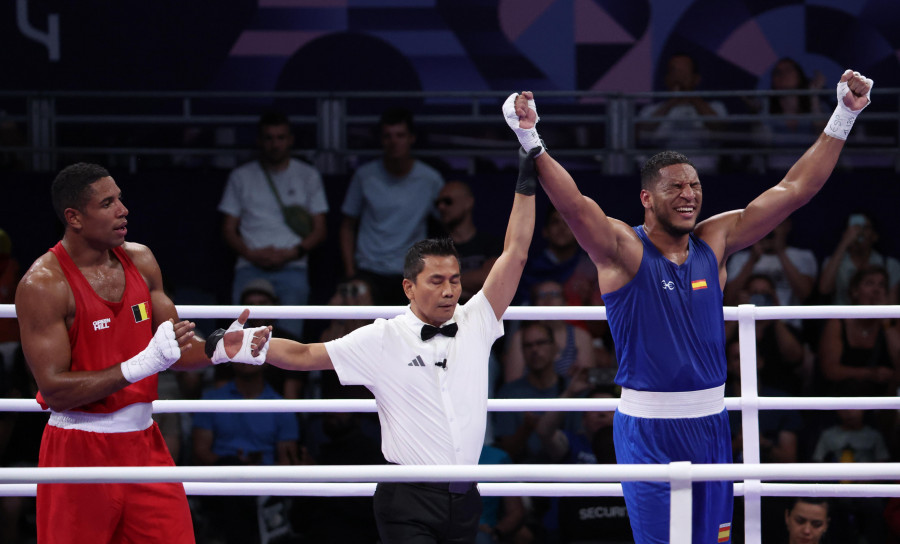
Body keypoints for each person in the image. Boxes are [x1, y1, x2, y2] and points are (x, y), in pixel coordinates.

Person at [503, 68, 873, 543]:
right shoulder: (622, 249)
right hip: (648, 427)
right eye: (675, 187)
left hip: (711, 424)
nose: (688, 195)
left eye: (694, 186)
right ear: (646, 198)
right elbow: (575, 207)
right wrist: (530, 137)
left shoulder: (714, 241)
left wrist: (844, 114)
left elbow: (794, 190)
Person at [210, 145, 540, 544]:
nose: (450, 290)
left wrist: (527, 168)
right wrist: (233, 346)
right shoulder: (383, 336)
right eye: (436, 281)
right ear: (409, 287)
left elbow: (516, 253)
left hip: (465, 499)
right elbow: (305, 355)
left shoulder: (477, 321)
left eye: (454, 279)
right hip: (407, 499)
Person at [14, 162, 267, 544]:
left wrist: (219, 351)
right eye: (107, 203)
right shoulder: (44, 284)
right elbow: (54, 390)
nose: (123, 210)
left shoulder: (142, 260)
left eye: (121, 199)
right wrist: (139, 365)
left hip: (144, 443)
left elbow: (175, 352)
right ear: (74, 217)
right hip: (79, 449)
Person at [219, 110, 329, 339]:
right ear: (259, 141)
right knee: (242, 339)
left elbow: (320, 229)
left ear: (290, 140)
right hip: (249, 266)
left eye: (280, 137)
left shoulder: (308, 175)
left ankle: (288, 377)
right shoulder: (241, 176)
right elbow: (228, 229)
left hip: (293, 267)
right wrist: (251, 253)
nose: (274, 144)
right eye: (268, 138)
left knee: (290, 339)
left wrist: (292, 253)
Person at [340, 107, 445, 305]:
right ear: (381, 140)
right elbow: (347, 225)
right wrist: (350, 273)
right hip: (368, 272)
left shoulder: (430, 179)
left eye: (400, 135)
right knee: (350, 309)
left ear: (411, 138)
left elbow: (448, 221)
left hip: (413, 272)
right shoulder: (364, 176)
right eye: (388, 136)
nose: (394, 141)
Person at [192, 361, 301, 544]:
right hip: (221, 480)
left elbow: (286, 462)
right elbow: (200, 453)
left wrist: (255, 469)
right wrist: (236, 466)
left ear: (266, 361)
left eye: (253, 352)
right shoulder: (212, 400)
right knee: (232, 472)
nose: (246, 359)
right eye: (240, 353)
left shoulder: (281, 407)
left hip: (265, 483)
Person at [636, 53, 728, 173]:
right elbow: (641, 133)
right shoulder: (651, 110)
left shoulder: (715, 107)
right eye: (675, 72)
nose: (679, 77)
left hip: (702, 170)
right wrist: (673, 100)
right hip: (663, 173)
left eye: (684, 72)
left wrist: (690, 94)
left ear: (696, 78)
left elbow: (719, 128)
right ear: (667, 78)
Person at [503, 280, 595, 384]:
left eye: (555, 295)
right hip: (531, 398)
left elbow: (585, 383)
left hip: (571, 398)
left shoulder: (581, 336)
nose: (548, 299)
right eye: (541, 295)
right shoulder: (520, 337)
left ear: (565, 302)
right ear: (534, 304)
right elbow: (512, 386)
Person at [436, 179, 503, 303]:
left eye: (447, 201)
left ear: (468, 203)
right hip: (445, 318)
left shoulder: (490, 244)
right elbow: (431, 287)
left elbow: (490, 281)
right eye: (438, 203)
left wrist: (445, 282)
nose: (441, 207)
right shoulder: (434, 247)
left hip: (483, 316)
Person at [819, 211, 900, 305]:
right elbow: (824, 289)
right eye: (853, 227)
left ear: (875, 235)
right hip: (844, 317)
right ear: (845, 233)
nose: (859, 232)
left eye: (865, 228)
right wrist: (844, 243)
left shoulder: (890, 264)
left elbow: (893, 304)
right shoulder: (833, 262)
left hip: (877, 317)